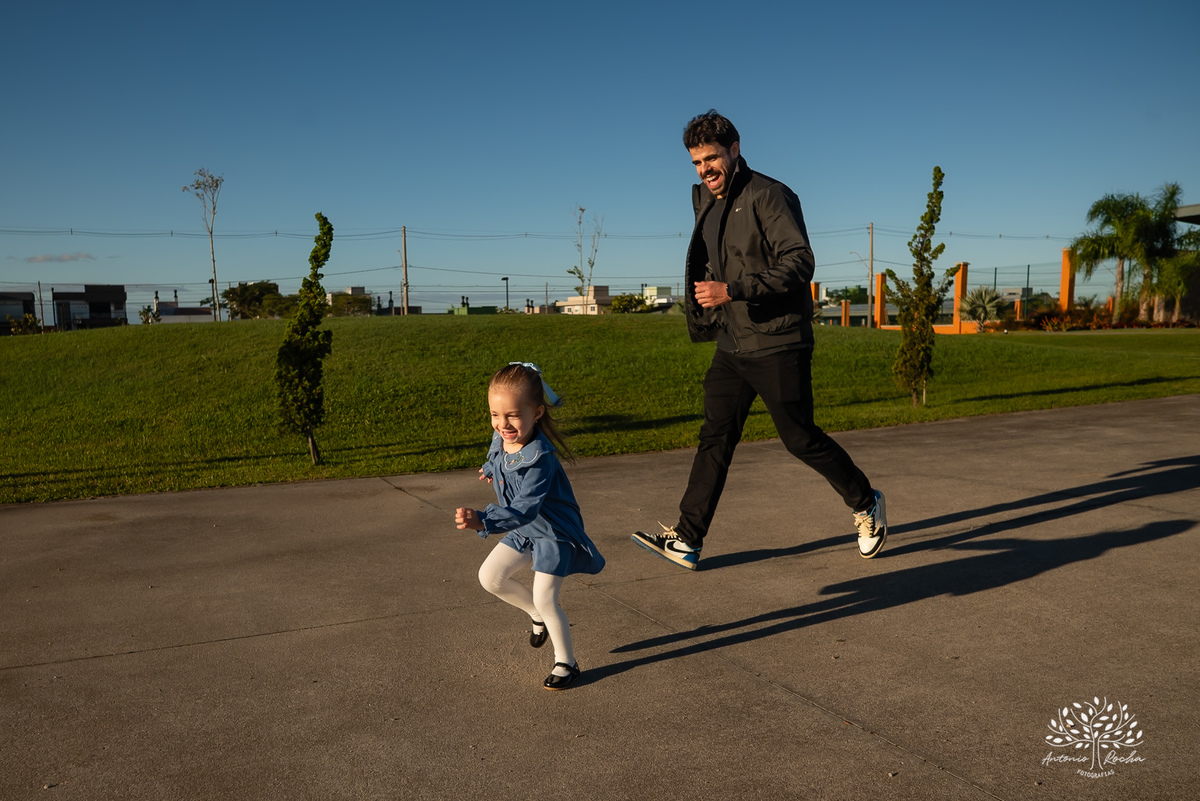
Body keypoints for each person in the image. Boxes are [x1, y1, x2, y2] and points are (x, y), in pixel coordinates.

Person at [631, 110, 886, 571]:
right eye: (696, 162)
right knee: (715, 436)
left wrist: (732, 290)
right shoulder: (707, 203)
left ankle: (866, 501)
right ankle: (687, 538)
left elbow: (800, 262)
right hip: (732, 344)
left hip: (779, 340)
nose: (704, 170)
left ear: (734, 149)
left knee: (800, 438)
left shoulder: (770, 195)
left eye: (711, 158)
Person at [455, 362, 605, 690]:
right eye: (495, 415)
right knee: (490, 577)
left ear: (536, 413)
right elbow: (497, 453)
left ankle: (567, 662)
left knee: (546, 597)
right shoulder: (504, 437)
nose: (502, 424)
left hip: (552, 533)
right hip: (525, 529)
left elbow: (525, 508)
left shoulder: (541, 459)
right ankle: (536, 616)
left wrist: (483, 519)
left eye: (512, 415)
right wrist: (490, 468)